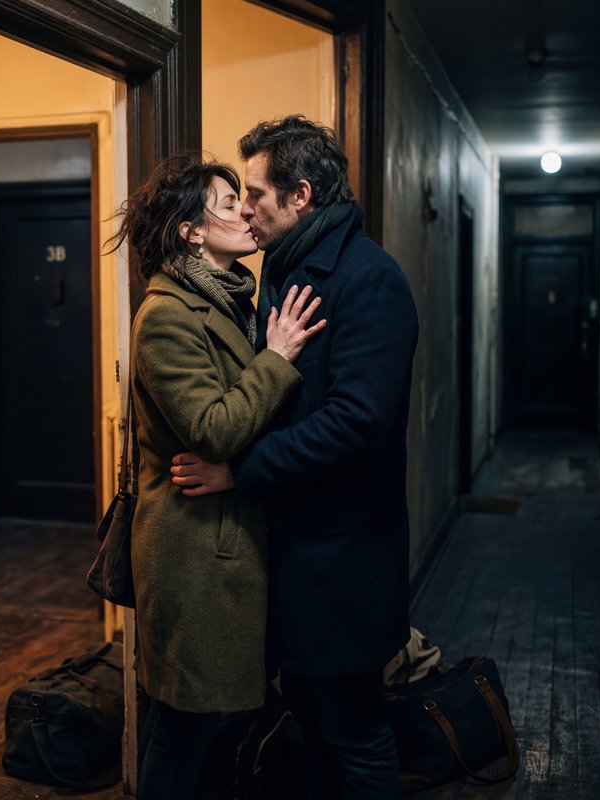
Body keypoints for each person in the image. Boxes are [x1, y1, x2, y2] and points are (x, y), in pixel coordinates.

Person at [170, 116, 419, 798]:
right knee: (313, 726)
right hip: (297, 558)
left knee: (357, 735)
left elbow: (354, 424)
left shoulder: (368, 281)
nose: (245, 206)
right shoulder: (282, 271)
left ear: (301, 195)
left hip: (342, 563)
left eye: (255, 192)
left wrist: (238, 471)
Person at [106, 155, 326, 800]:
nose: (246, 212)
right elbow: (212, 428)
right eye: (228, 204)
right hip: (193, 552)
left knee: (217, 722)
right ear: (190, 232)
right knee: (184, 726)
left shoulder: (230, 301)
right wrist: (277, 358)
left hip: (228, 545)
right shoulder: (167, 316)